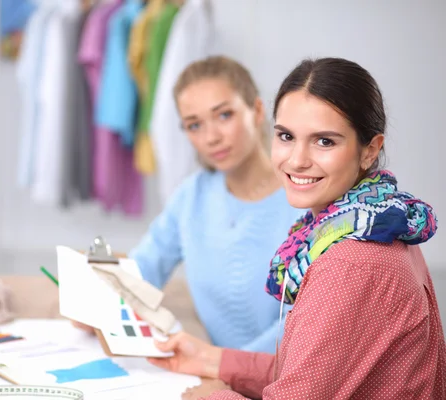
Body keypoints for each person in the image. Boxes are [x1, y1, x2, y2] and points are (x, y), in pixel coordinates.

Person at [147, 57, 446, 400]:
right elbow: (310, 370)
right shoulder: (378, 220)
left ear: (370, 150)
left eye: (324, 141)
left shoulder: (351, 262)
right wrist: (214, 360)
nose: (297, 160)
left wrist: (206, 396)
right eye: (287, 136)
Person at [73, 56, 303, 353]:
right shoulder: (191, 197)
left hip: (284, 378)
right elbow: (143, 268)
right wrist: (99, 300)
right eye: (194, 125)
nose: (211, 137)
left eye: (224, 116)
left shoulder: (304, 200)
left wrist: (225, 365)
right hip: (216, 376)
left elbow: (304, 324)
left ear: (257, 110)